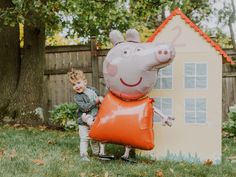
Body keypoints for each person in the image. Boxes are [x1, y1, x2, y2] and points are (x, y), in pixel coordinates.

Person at [68, 69, 112, 161]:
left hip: (95, 119)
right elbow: (84, 108)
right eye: (74, 84)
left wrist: (101, 102)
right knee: (84, 138)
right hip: (84, 121)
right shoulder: (77, 97)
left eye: (78, 83)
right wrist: (95, 101)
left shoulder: (93, 90)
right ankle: (83, 155)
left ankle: (96, 153)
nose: (76, 86)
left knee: (95, 138)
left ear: (85, 82)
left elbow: (100, 99)